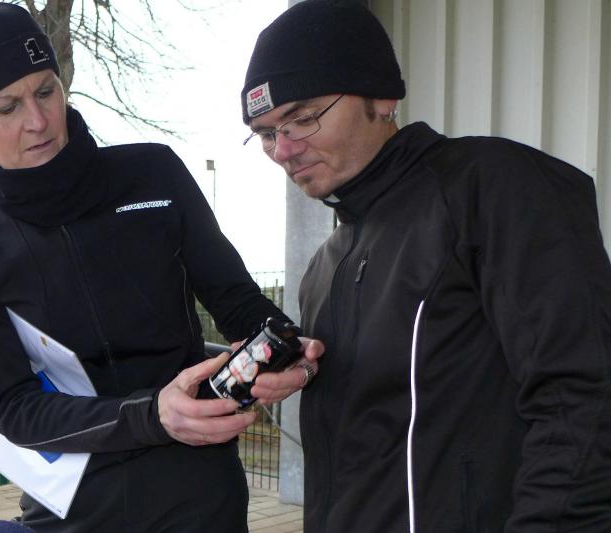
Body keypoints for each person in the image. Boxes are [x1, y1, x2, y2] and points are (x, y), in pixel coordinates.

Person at [0, 4, 323, 532]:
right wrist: (151, 414)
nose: (38, 120)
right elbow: (15, 408)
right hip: (74, 503)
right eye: (7, 107)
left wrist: (285, 351)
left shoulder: (153, 173)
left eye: (46, 91)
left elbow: (236, 301)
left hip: (197, 486)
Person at [241, 1, 611, 531]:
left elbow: (583, 397)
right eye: (266, 133)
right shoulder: (324, 266)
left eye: (303, 118)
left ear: (382, 97)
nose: (283, 150)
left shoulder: (491, 188)